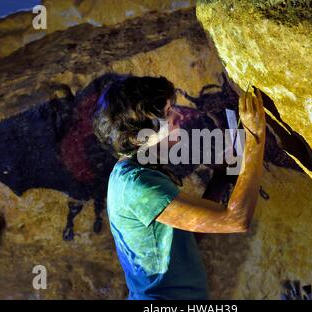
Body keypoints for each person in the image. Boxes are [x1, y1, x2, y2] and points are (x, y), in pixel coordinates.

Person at [93, 75, 266, 300]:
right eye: (167, 114)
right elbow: (236, 219)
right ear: (137, 137)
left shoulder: (137, 173)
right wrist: (256, 135)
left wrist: (221, 179)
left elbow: (185, 240)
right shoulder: (138, 185)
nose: (179, 115)